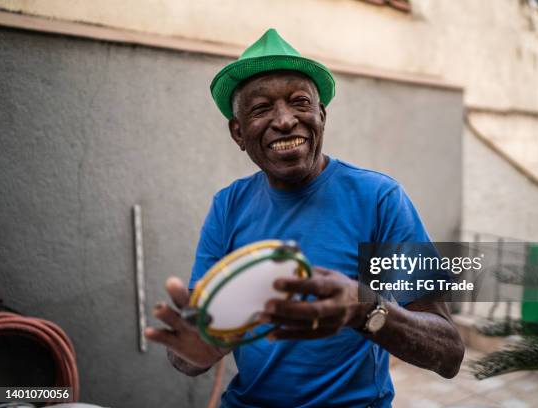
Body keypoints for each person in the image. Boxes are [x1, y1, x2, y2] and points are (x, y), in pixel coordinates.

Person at [145, 28, 464, 407]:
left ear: (321, 116)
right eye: (261, 109)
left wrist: (366, 311)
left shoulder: (379, 199)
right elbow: (189, 355)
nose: (284, 121)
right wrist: (198, 346)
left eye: (299, 102)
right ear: (238, 132)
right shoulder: (227, 206)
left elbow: (449, 352)